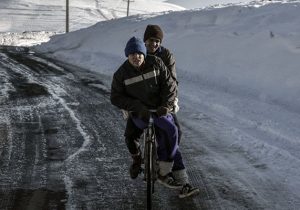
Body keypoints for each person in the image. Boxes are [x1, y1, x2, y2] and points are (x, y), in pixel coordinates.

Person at [111, 36, 199, 198]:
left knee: (172, 131)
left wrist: (166, 105)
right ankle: (138, 160)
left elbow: (170, 85)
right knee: (130, 137)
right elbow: (115, 97)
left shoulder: (157, 63)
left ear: (144, 53)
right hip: (139, 112)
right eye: (132, 54)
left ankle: (164, 169)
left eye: (139, 53)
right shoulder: (121, 73)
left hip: (159, 109)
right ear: (127, 55)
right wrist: (136, 107)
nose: (136, 57)